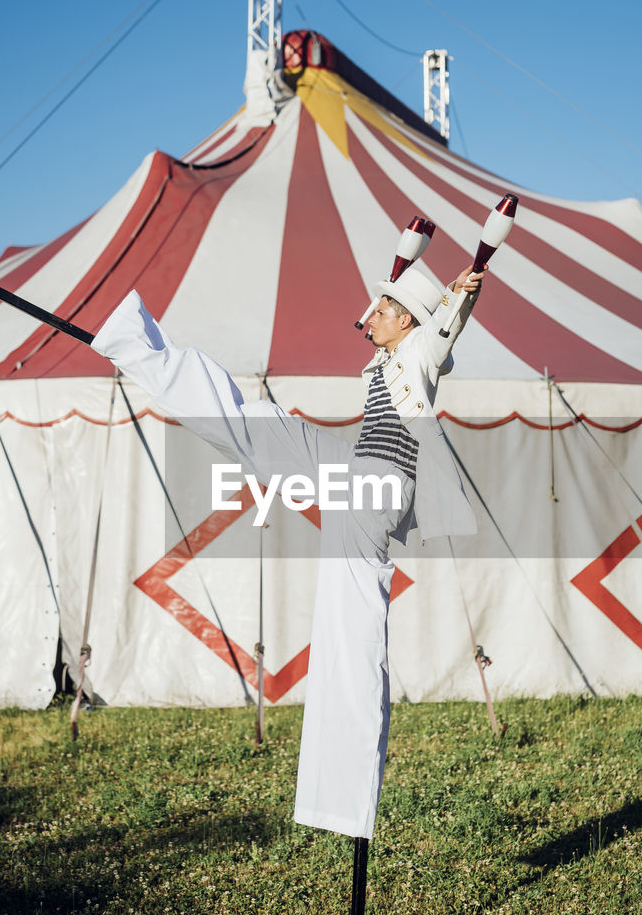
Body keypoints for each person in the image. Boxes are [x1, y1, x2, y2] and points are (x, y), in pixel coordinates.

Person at [91, 260, 484, 840]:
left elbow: (444, 330)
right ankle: (138, 342)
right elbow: (372, 322)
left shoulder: (423, 351)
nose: (367, 318)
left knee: (349, 631)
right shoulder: (385, 354)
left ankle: (344, 799)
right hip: (357, 474)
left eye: (382, 309)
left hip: (379, 490)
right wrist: (393, 283)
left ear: (406, 318)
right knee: (263, 423)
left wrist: (457, 293)